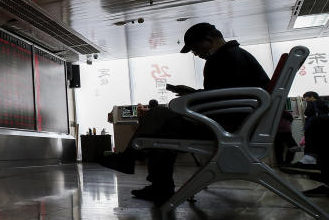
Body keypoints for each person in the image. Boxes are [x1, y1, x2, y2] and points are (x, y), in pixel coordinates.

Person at [101, 22, 269, 203]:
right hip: (240, 123)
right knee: (162, 123)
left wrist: (193, 97)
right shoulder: (238, 56)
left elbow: (221, 99)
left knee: (159, 118)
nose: (196, 54)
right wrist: (193, 93)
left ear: (208, 41)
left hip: (228, 128)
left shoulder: (221, 60)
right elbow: (228, 95)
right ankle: (139, 164)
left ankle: (136, 162)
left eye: (195, 48)